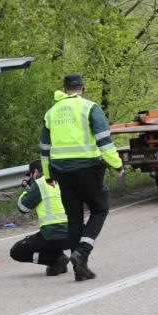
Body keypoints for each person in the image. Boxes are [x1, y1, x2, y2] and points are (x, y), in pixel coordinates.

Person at [40, 73, 124, 281]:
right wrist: (117, 165)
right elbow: (104, 141)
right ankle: (82, 252)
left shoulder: (51, 112)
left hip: (61, 172)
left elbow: (44, 149)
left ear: (64, 89)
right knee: (99, 209)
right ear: (83, 89)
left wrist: (48, 174)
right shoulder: (90, 108)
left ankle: (81, 267)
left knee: (74, 217)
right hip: (87, 169)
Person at [9, 161, 70, 276]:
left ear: (36, 172)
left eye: (31, 175)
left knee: (16, 251)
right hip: (71, 235)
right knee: (48, 237)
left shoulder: (40, 183)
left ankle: (54, 260)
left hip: (51, 235)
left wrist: (28, 189)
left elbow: (23, 208)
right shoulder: (61, 179)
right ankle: (59, 260)